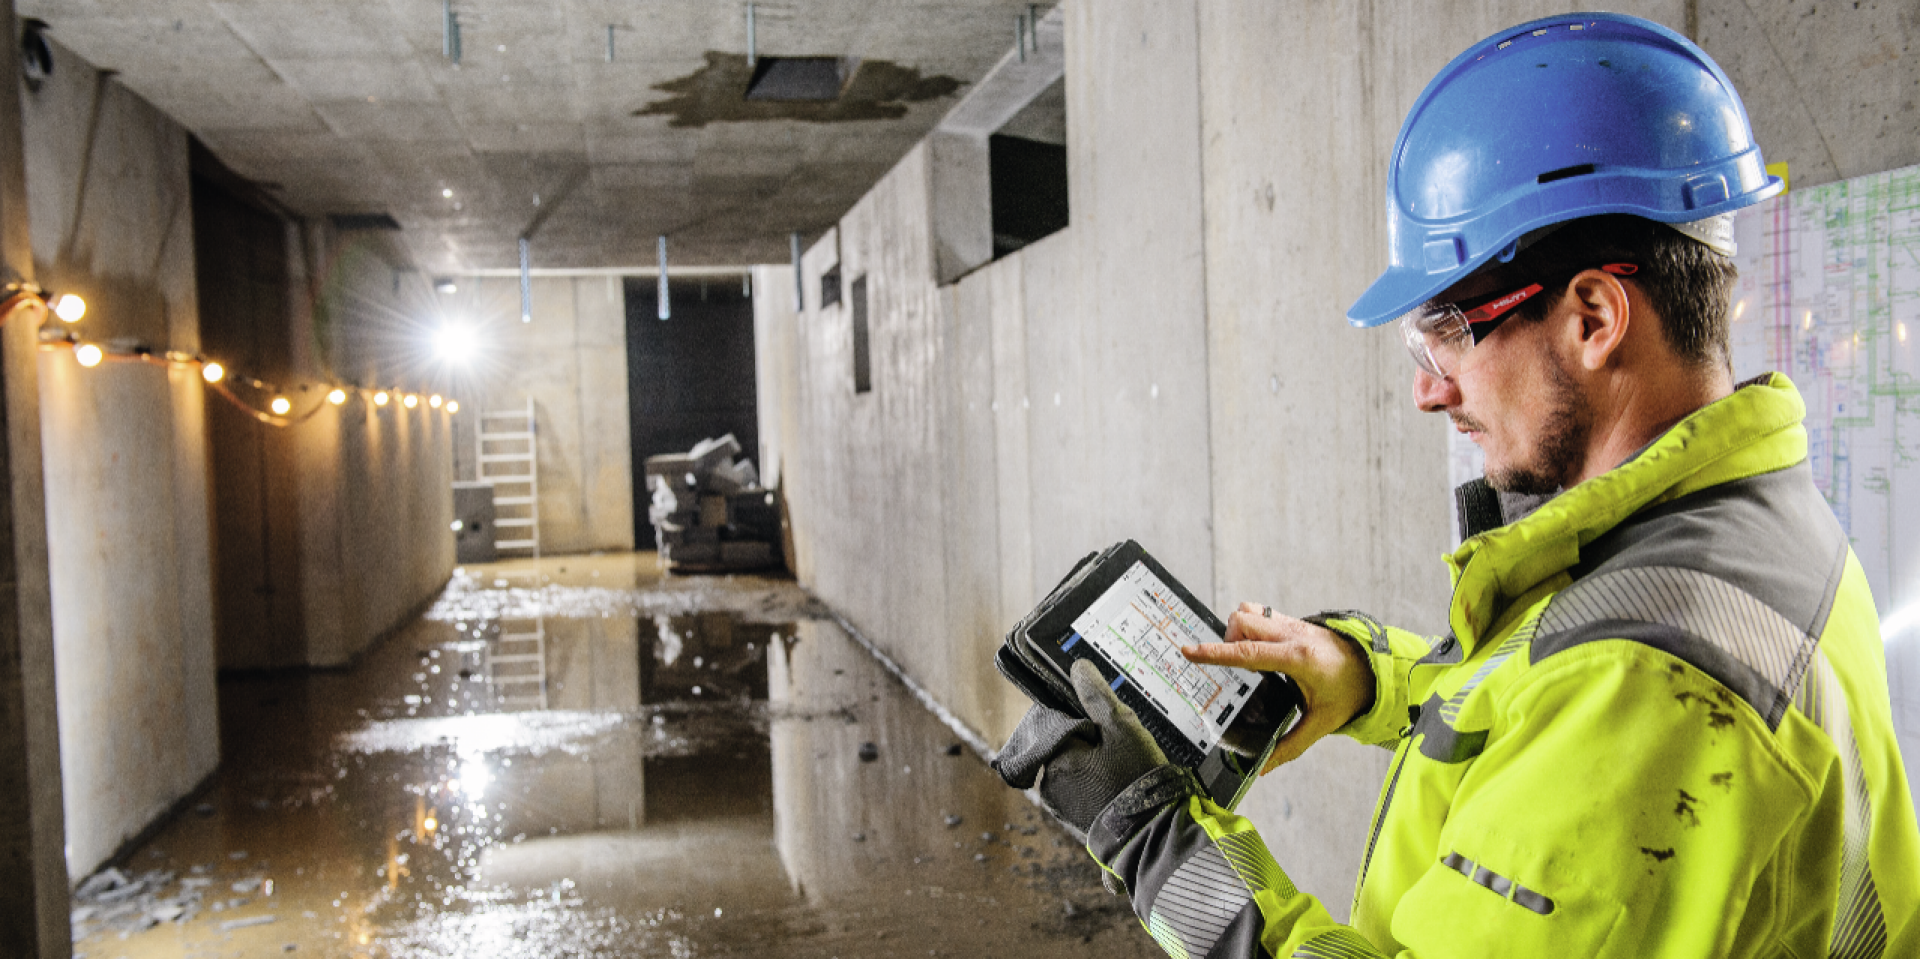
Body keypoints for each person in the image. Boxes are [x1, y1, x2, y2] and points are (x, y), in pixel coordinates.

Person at [992, 12, 1919, 958]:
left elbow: (1595, 704)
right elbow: (1539, 692)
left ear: (1593, 318)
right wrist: (1370, 681)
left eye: (1448, 333)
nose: (1428, 390)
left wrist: (1150, 832)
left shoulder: (1645, 690)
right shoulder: (1737, 519)